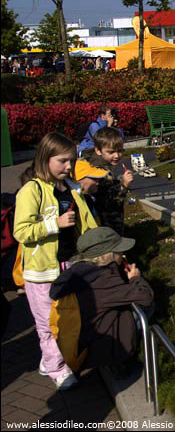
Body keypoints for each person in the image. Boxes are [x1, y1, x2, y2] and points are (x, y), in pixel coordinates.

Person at [13, 132, 98, 390]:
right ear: (46, 158)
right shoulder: (32, 190)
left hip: (71, 265)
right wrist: (53, 224)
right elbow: (21, 231)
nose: (69, 166)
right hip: (41, 272)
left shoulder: (72, 188)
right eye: (62, 161)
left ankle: (51, 359)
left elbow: (88, 223)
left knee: (70, 318)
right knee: (48, 324)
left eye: (71, 160)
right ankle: (57, 369)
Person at [49, 227, 154, 375]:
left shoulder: (78, 272)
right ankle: (117, 360)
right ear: (107, 255)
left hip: (85, 341)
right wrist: (136, 278)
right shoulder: (103, 279)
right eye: (119, 251)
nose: (123, 254)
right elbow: (146, 296)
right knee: (145, 309)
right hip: (101, 348)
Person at [82, 127, 133, 235]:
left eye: (120, 151)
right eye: (111, 152)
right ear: (98, 150)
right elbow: (111, 203)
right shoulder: (100, 173)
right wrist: (123, 186)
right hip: (107, 226)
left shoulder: (91, 163)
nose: (117, 155)